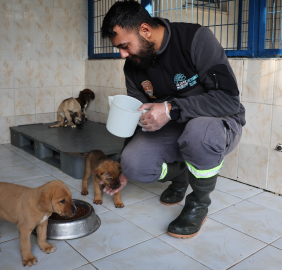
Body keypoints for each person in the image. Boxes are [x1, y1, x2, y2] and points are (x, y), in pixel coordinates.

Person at [100, 0, 245, 238]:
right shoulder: (133, 66)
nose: (122, 54)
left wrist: (170, 108)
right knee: (134, 163)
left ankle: (198, 202)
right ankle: (181, 175)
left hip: (217, 123)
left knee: (198, 133)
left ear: (145, 30)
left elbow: (229, 100)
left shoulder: (195, 38)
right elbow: (138, 116)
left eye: (125, 46)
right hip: (174, 128)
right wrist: (123, 167)